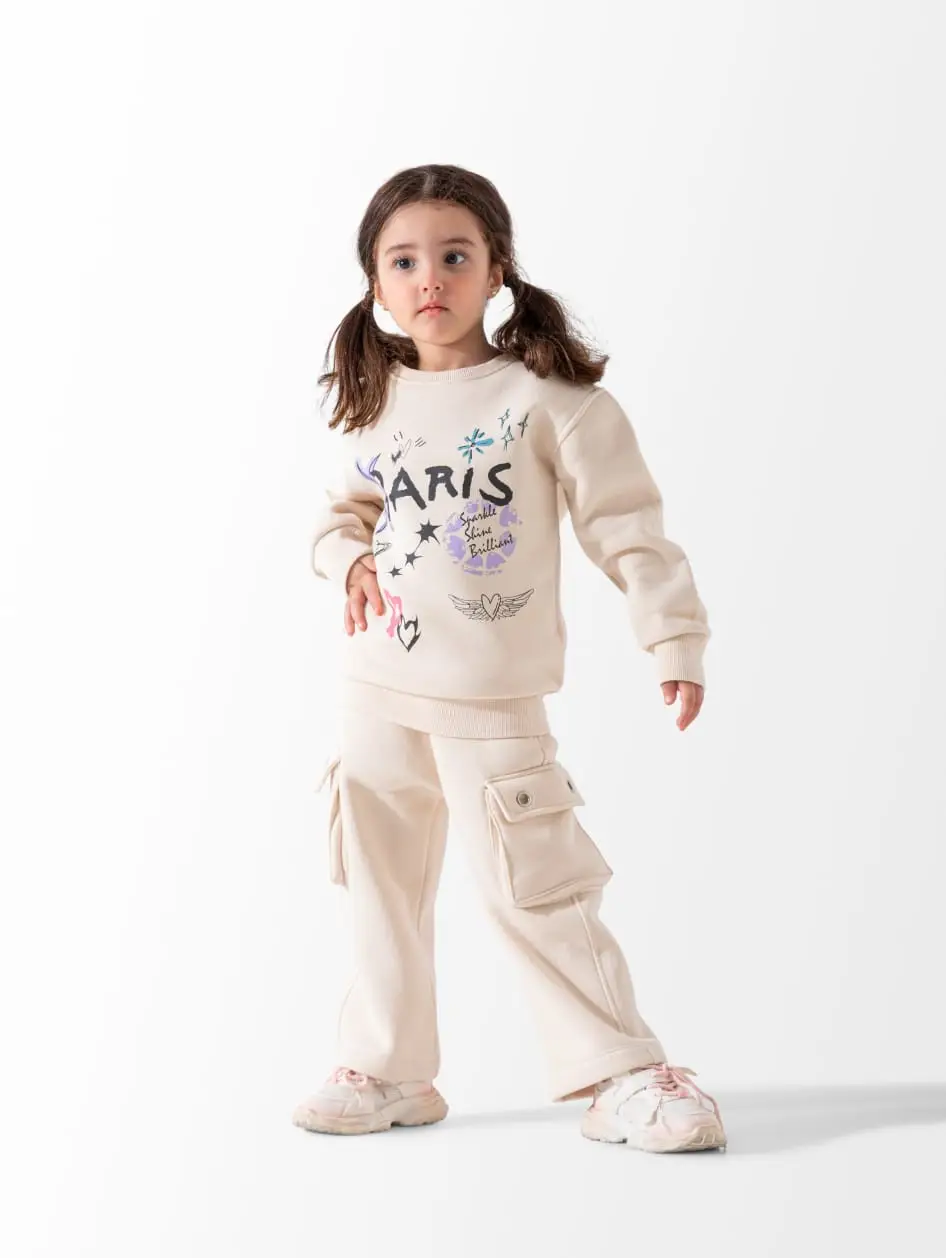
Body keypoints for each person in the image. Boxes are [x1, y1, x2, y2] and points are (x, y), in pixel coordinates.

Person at [292, 163, 726, 1153]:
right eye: (404, 262)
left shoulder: (550, 402)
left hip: (487, 696)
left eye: (455, 256)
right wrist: (347, 559)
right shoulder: (377, 400)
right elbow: (343, 510)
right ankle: (389, 1067)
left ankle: (623, 1069)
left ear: (497, 272)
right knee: (380, 885)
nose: (429, 279)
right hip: (376, 688)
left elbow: (629, 528)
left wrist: (672, 635)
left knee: (537, 882)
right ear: (375, 284)